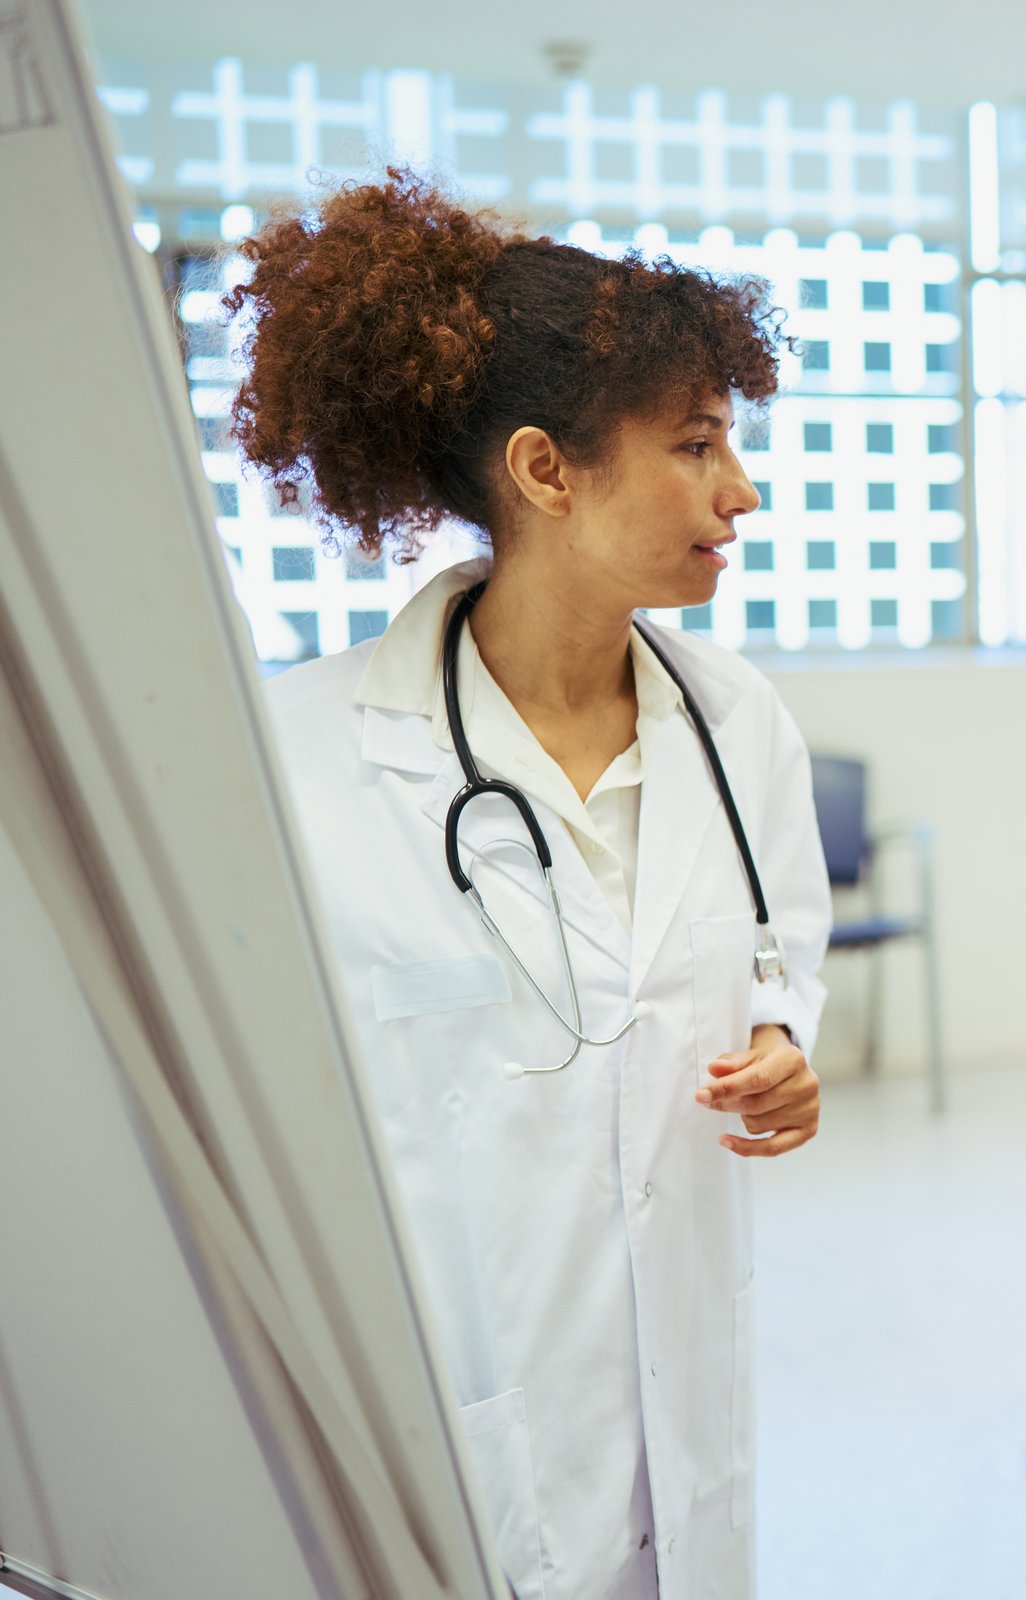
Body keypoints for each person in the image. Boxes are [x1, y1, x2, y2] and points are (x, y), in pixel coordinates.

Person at [232, 172, 832, 1599]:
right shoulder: (307, 763)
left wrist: (787, 1049)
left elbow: (777, 957)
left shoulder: (738, 720)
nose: (738, 490)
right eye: (695, 445)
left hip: (678, 1393)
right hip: (450, 1419)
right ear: (546, 471)